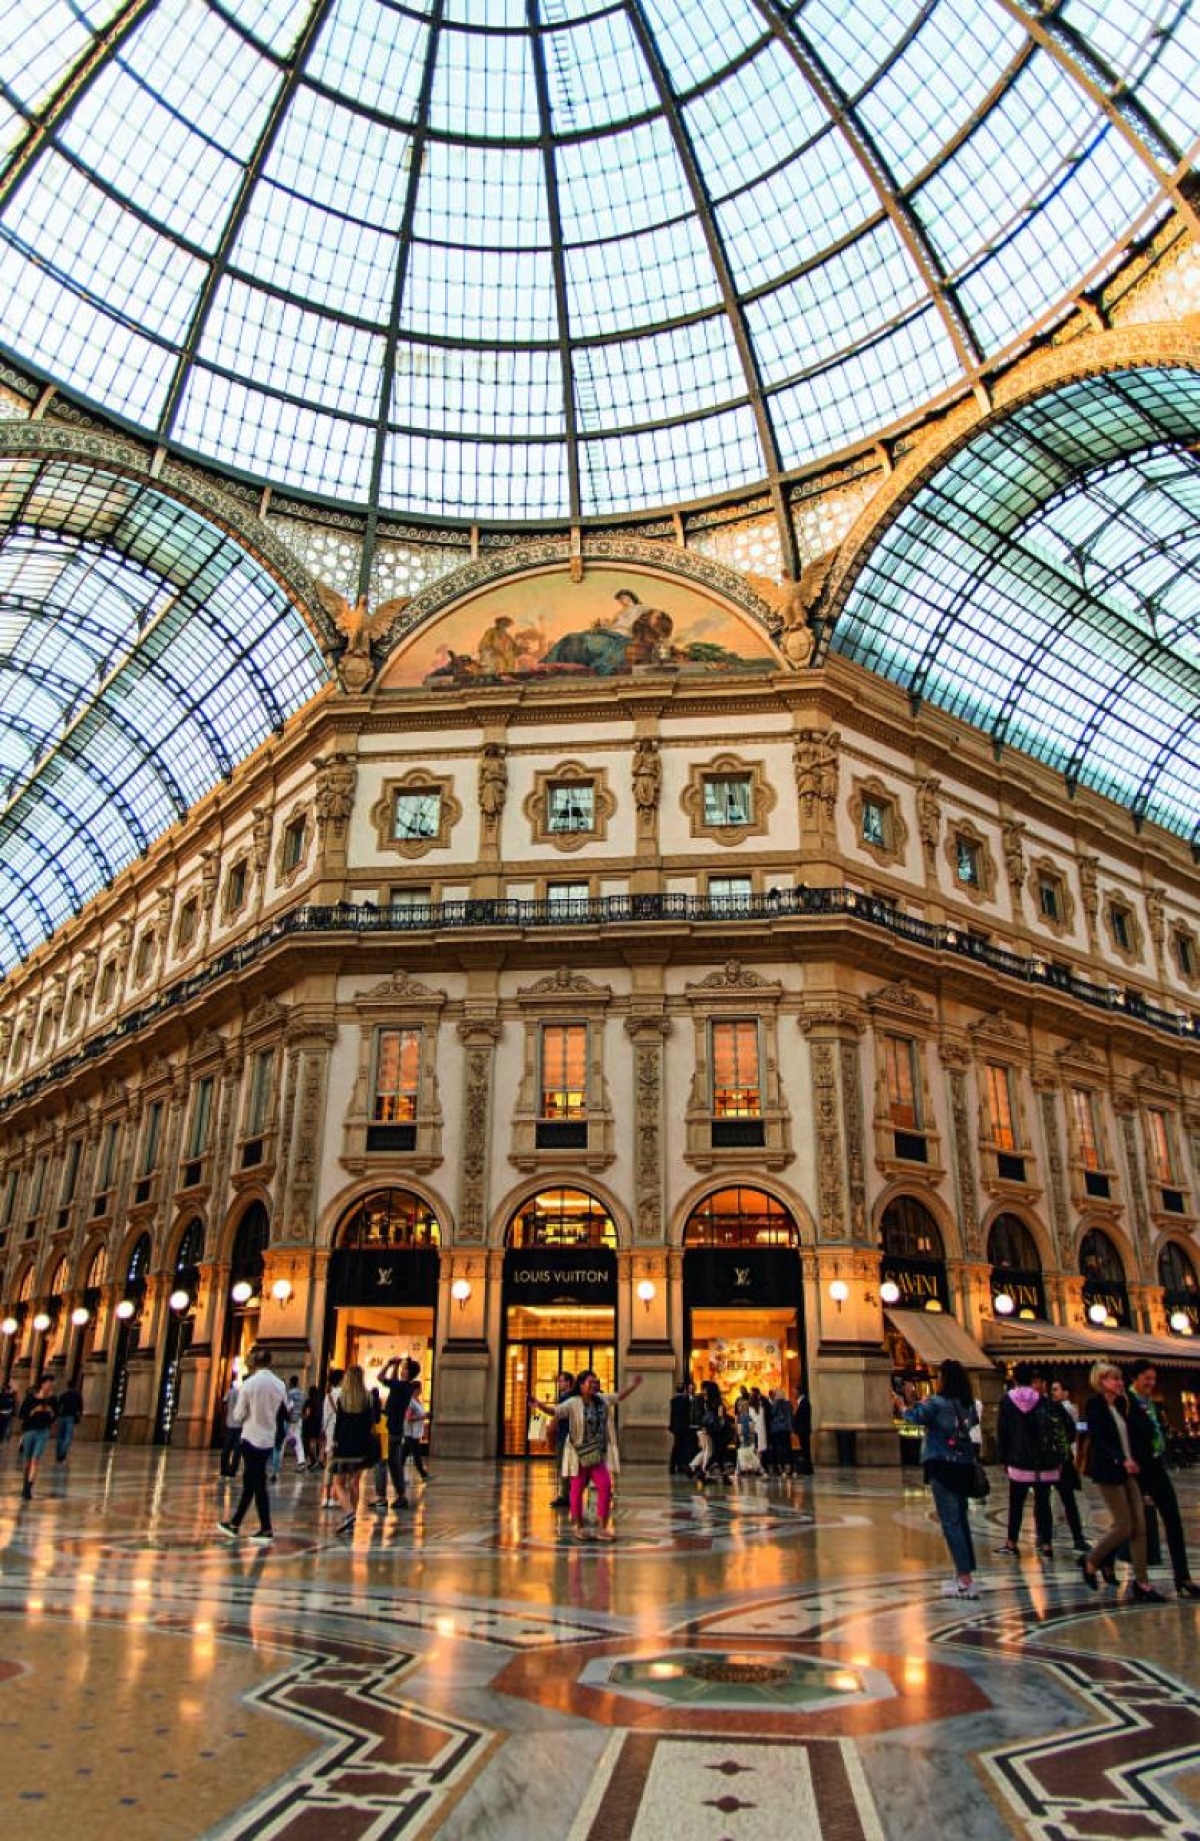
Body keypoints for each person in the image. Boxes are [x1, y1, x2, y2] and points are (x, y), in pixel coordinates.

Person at [1078, 1361, 1166, 1602]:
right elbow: (1099, 1440)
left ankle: (1142, 1582)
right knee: (1124, 1524)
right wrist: (1120, 1459)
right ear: (1102, 1381)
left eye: (1119, 1379)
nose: (1119, 1383)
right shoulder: (1095, 1405)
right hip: (1110, 1472)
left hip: (1129, 1472)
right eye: (1114, 1379)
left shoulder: (1120, 1404)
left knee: (1140, 1527)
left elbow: (1143, 1430)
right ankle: (1092, 1559)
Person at [895, 1358, 981, 1598]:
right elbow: (973, 1421)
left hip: (942, 1466)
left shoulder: (937, 1402)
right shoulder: (966, 1404)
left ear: (945, 1379)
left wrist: (904, 1404)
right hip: (963, 1466)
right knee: (961, 1521)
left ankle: (965, 1579)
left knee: (950, 1523)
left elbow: (913, 1417)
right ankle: (965, 1573)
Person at [530, 1369, 643, 1541]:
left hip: (596, 1455)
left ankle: (602, 1528)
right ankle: (579, 1527)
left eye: (595, 1382)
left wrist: (633, 1386)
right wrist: (539, 1405)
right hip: (579, 1455)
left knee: (605, 1486)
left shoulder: (602, 1400)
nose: (594, 1385)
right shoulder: (573, 1403)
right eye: (590, 1382)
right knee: (576, 1490)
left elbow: (619, 1397)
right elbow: (556, 1412)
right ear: (581, 1385)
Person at [1127, 1360, 1200, 1598]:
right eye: (1147, 1378)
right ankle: (1105, 1560)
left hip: (1157, 1467)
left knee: (1173, 1520)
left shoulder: (1151, 1405)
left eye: (1154, 1379)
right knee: (1131, 1525)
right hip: (1138, 1472)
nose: (1151, 1383)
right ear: (1135, 1378)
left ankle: (1183, 1576)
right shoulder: (1126, 1403)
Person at [217, 1347, 287, 1543]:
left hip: (250, 1438)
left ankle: (265, 1528)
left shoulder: (249, 1384)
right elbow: (284, 1409)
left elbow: (238, 1415)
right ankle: (235, 1523)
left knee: (256, 1482)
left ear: (255, 1363)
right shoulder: (279, 1385)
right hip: (267, 1439)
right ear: (270, 1362)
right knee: (251, 1480)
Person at [995, 1362, 1061, 1557]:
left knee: (1016, 1503)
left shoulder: (1007, 1401)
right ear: (1032, 1380)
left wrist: (1004, 1458)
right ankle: (1047, 1543)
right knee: (1043, 1503)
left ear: (1015, 1379)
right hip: (1042, 1461)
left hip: (1018, 1460)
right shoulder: (1042, 1400)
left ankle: (1011, 1542)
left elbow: (1003, 1431)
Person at [328, 1364, 374, 1537]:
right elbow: (371, 1423)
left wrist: (334, 1443)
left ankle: (349, 1515)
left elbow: (339, 1426)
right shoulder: (368, 1398)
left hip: (344, 1447)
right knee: (355, 1484)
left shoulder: (343, 1398)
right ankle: (352, 1520)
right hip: (362, 1447)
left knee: (338, 1484)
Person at [1045, 1376, 1088, 1552]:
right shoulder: (1060, 1408)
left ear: (1065, 1392)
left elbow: (1074, 1429)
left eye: (1057, 1389)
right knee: (1064, 1495)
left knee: (1065, 1495)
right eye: (1052, 1389)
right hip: (1065, 1454)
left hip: (1065, 1456)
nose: (1053, 1393)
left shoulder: (1066, 1408)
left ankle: (1056, 1531)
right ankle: (1073, 1533)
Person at [377, 1355, 416, 1513]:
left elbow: (380, 1377)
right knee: (394, 1464)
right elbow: (392, 1382)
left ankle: (381, 1497)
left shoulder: (401, 1386)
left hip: (388, 1428)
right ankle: (401, 1496)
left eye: (404, 1368)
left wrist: (388, 1363)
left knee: (381, 1463)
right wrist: (396, 1366)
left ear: (409, 1373)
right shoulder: (406, 1387)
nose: (402, 1370)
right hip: (397, 1430)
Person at [18, 1377, 57, 1501]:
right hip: (30, 1431)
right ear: (42, 1384)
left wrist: (50, 1412)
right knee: (28, 1461)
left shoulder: (52, 1400)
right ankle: (25, 1485)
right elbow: (22, 1415)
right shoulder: (30, 1398)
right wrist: (34, 1410)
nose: (50, 1387)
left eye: (51, 1384)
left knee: (35, 1460)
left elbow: (54, 1417)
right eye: (48, 1384)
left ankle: (29, 1488)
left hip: (43, 1432)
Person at [549, 1370, 574, 1508]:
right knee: (567, 1466)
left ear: (568, 1382)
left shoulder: (565, 1398)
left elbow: (557, 1415)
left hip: (564, 1436)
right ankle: (568, 1493)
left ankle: (565, 1495)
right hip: (569, 1436)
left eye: (561, 1381)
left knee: (562, 1465)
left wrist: (551, 1428)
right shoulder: (574, 1397)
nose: (559, 1383)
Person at [319, 1367, 343, 1510]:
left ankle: (326, 1497)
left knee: (329, 1465)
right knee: (339, 1467)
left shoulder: (328, 1396)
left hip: (329, 1432)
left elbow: (325, 1417)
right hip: (339, 1433)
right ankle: (335, 1496)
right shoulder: (342, 1394)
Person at [402, 1380, 429, 1482]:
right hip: (411, 1433)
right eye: (420, 1388)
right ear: (416, 1389)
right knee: (416, 1455)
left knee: (403, 1455)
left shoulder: (417, 1401)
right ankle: (423, 1474)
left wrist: (424, 1415)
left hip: (415, 1433)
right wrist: (423, 1416)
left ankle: (398, 1474)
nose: (421, 1390)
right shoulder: (410, 1402)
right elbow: (409, 1418)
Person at [668, 1379, 696, 1476]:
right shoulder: (686, 1401)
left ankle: (674, 1466)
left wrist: (671, 1426)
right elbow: (689, 1415)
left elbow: (672, 1415)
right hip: (684, 1427)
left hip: (676, 1427)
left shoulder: (673, 1401)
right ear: (684, 1390)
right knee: (682, 1446)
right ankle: (680, 1465)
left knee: (676, 1445)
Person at [55, 1375, 84, 1463]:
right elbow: (80, 1407)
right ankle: (62, 1454)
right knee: (68, 1437)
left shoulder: (63, 1395)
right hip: (70, 1417)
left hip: (61, 1417)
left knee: (60, 1436)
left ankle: (58, 1454)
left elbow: (58, 1406)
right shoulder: (77, 1395)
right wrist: (79, 1415)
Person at [219, 1374, 243, 1479]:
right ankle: (232, 1471)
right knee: (237, 1450)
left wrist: (224, 1417)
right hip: (240, 1426)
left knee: (226, 1449)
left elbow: (223, 1402)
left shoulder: (231, 1391)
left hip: (230, 1424)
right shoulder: (244, 1393)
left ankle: (224, 1470)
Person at [767, 1389, 793, 1476]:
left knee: (782, 1448)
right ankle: (783, 1466)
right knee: (783, 1449)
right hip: (781, 1429)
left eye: (778, 1395)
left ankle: (784, 1467)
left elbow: (774, 1414)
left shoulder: (783, 1404)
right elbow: (773, 1414)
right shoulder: (782, 1403)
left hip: (780, 1429)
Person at [792, 1387, 814, 1476]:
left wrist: (797, 1425)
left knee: (806, 1449)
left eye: (794, 1392)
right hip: (803, 1430)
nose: (793, 1394)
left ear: (798, 1392)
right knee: (805, 1449)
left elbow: (803, 1417)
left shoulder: (804, 1402)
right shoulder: (802, 1402)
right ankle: (808, 1468)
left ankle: (808, 1468)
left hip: (803, 1430)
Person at [300, 1384, 322, 1469]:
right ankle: (315, 1461)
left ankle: (314, 1460)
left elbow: (307, 1413)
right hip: (316, 1425)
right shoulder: (318, 1402)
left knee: (308, 1445)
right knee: (313, 1443)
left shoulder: (308, 1401)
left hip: (308, 1425)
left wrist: (303, 1416)